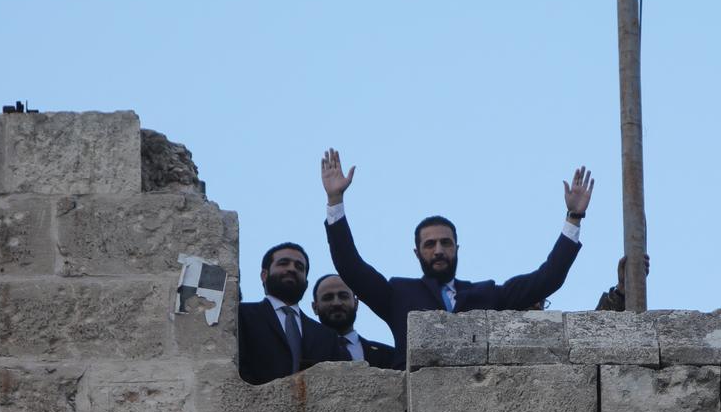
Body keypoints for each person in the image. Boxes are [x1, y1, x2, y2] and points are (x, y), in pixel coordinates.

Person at [320, 148, 592, 366]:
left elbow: (547, 278)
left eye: (445, 243)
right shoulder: (398, 294)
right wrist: (335, 201)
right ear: (417, 252)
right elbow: (350, 266)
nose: (438, 250)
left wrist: (574, 218)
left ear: (457, 249)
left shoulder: (487, 294)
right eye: (430, 244)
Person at [237, 242, 342, 385]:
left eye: (299, 267)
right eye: (283, 263)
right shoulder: (241, 315)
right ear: (264, 275)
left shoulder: (326, 336)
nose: (292, 269)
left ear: (306, 282)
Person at [310, 274, 397, 369]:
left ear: (356, 303)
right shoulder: (305, 353)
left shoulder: (389, 355)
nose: (337, 303)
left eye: (343, 296)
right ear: (315, 307)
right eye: (328, 297)